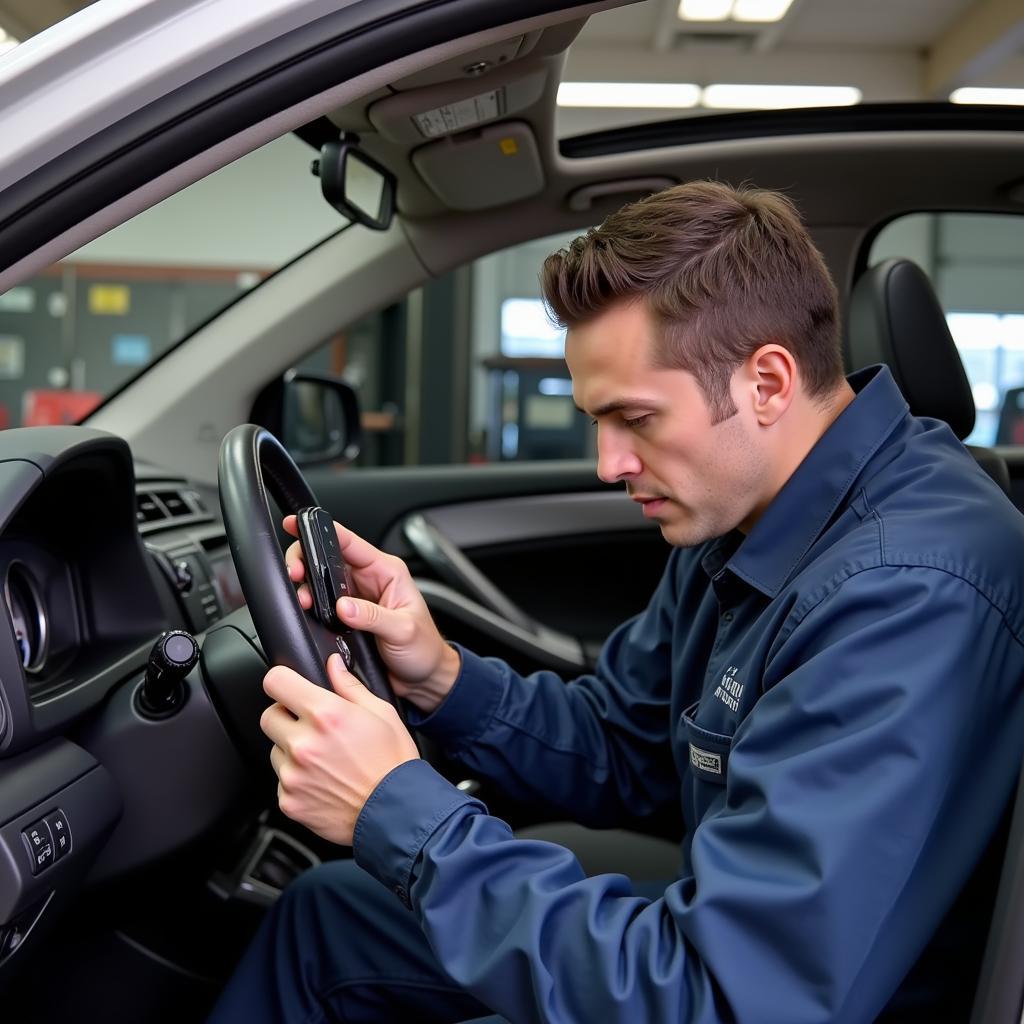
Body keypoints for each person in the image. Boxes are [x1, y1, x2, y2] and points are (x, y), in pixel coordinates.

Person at [208, 181, 1024, 1024]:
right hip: (726, 950)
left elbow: (715, 1000)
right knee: (330, 915)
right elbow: (630, 744)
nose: (609, 464)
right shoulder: (750, 514)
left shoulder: (904, 595)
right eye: (598, 420)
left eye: (635, 418)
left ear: (768, 383)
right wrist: (441, 678)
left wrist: (397, 809)